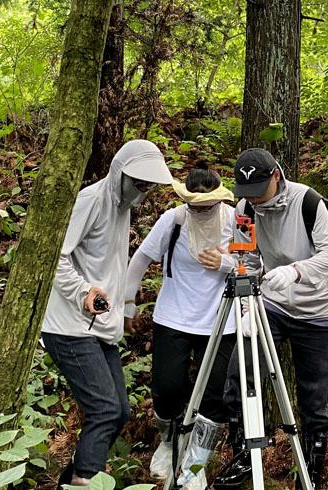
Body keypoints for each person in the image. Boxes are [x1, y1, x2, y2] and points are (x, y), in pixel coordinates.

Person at [41, 140, 173, 488]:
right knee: (104, 410)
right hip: (69, 326)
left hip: (100, 327)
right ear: (120, 174)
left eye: (149, 185)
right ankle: (85, 479)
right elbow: (55, 255)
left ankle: (73, 476)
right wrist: (83, 292)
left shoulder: (122, 205)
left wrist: (124, 305)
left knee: (120, 411)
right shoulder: (92, 201)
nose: (143, 191)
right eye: (139, 183)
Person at [214, 148, 328, 490]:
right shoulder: (244, 209)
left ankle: (310, 472)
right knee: (239, 374)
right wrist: (246, 307)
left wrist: (296, 272)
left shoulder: (308, 202)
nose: (253, 200)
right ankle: (244, 452)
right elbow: (246, 258)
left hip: (318, 310)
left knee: (315, 398)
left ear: (276, 177)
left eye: (259, 190)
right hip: (272, 303)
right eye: (247, 194)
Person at [123, 163, 238, 490]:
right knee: (167, 386)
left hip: (221, 319)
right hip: (173, 316)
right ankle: (170, 443)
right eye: (194, 205)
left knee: (214, 394)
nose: (200, 210)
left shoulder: (236, 221)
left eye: (207, 205)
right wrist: (128, 304)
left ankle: (196, 461)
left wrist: (226, 263)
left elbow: (255, 263)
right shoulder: (172, 221)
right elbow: (141, 260)